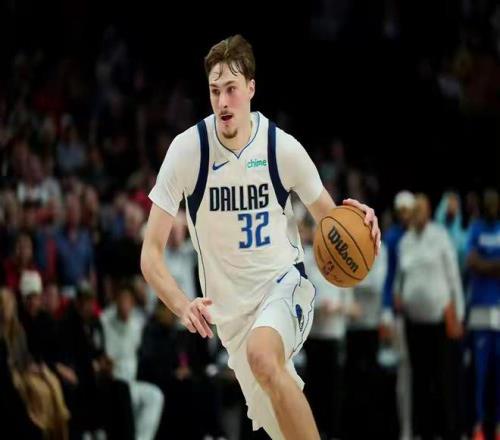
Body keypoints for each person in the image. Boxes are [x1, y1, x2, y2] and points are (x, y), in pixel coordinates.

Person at [141, 34, 380, 440]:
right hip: (232, 321)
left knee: (263, 356)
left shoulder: (281, 148)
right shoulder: (188, 151)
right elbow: (150, 254)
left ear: (251, 88)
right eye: (215, 91)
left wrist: (360, 220)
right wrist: (182, 305)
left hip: (284, 286)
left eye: (231, 89)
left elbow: (331, 221)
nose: (222, 101)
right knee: (282, 425)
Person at [466, 189, 500, 440]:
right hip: (479, 308)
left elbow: (479, 263)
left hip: (498, 308)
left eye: (494, 202)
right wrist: (494, 265)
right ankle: (478, 425)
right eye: (487, 202)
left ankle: (498, 425)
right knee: (479, 372)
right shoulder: (475, 229)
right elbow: (472, 262)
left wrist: (484, 264)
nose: (490, 206)